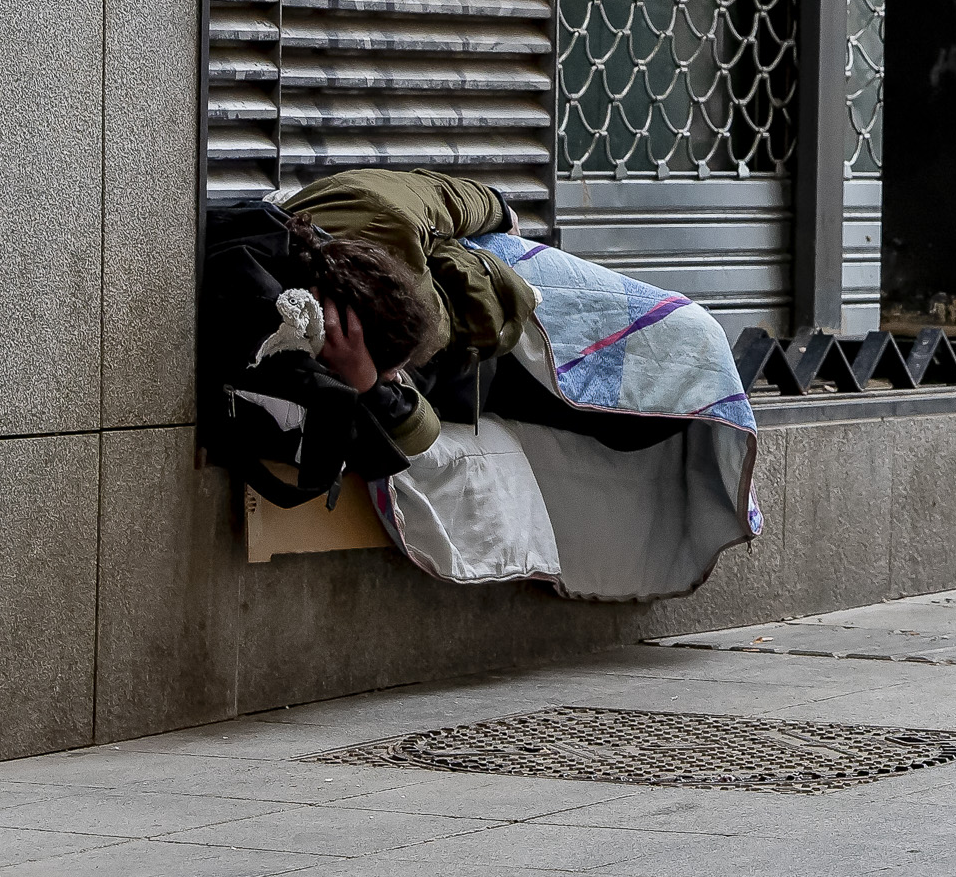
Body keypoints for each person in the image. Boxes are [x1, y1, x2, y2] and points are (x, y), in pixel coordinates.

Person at [200, 168, 759, 601]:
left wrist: (502, 211)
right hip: (478, 377)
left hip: (502, 312)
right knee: (630, 432)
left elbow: (449, 196)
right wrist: (370, 384)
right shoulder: (314, 345)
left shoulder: (378, 210)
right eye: (392, 367)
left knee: (687, 342)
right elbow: (418, 437)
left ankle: (691, 398)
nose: (393, 375)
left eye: (397, 367)